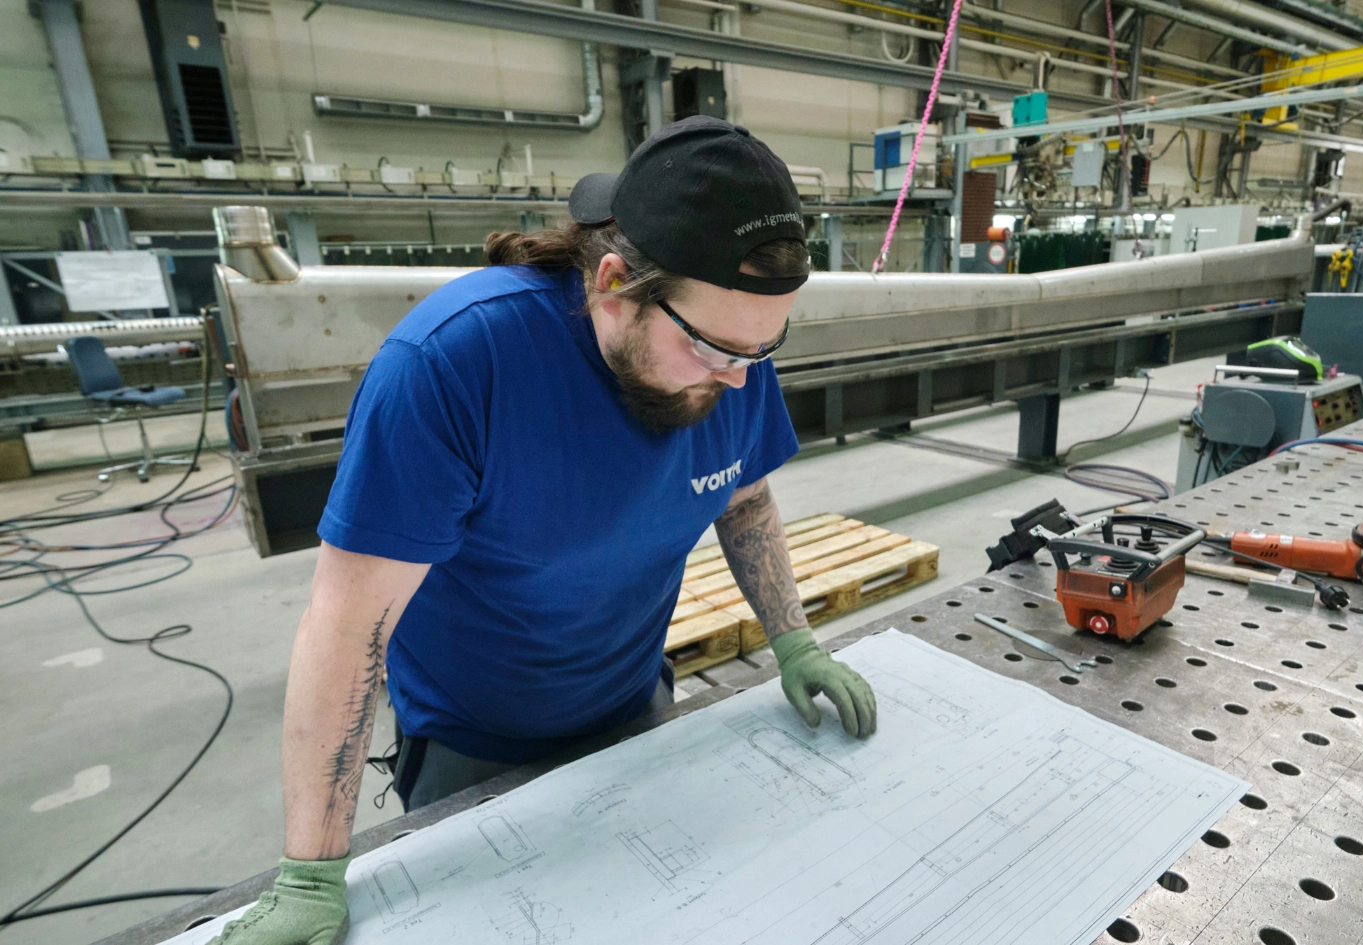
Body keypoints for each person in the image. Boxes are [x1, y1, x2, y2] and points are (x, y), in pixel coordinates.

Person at [212, 116, 877, 945]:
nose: (739, 379)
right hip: (473, 743)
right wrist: (312, 869)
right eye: (715, 350)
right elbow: (347, 625)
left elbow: (743, 502)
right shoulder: (454, 365)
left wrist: (795, 640)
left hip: (635, 705)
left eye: (762, 349)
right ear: (612, 286)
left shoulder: (732, 361)